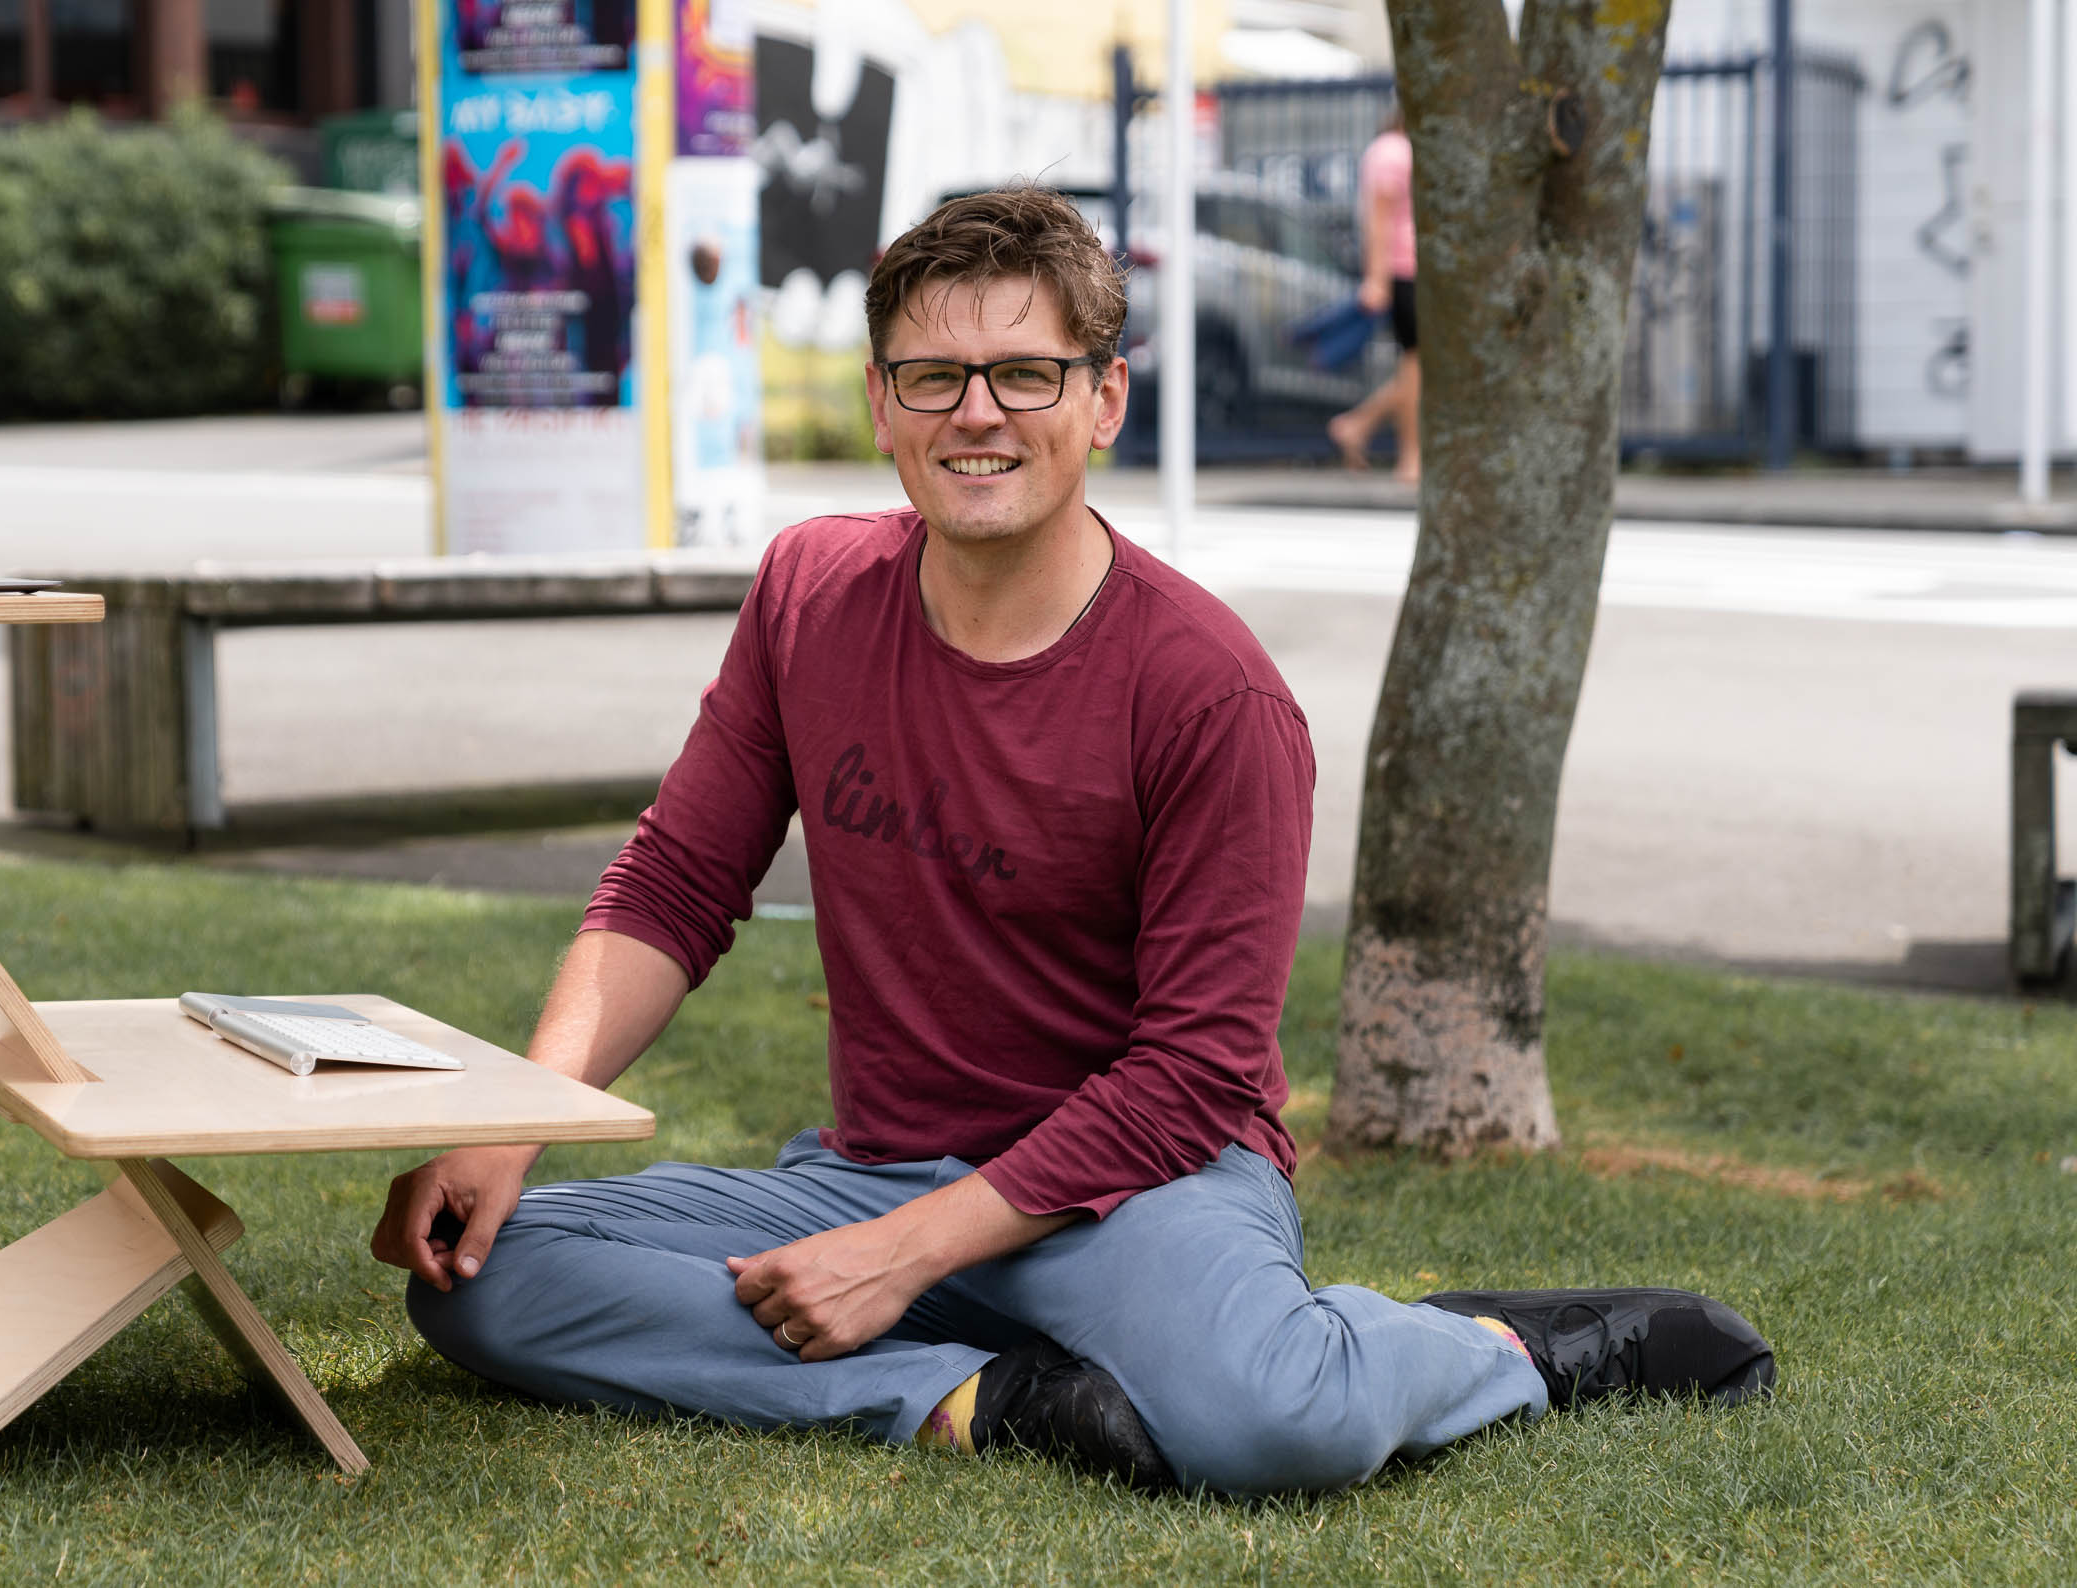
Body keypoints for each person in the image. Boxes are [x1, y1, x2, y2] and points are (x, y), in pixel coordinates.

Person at [371, 186, 1773, 1497]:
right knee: (487, 1276)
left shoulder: (1211, 692)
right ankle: (989, 1396)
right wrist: (514, 1123)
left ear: (1103, 398)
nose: (977, 414)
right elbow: (676, 886)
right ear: (881, 403)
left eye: (1025, 373)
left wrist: (899, 1257)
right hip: (871, 1167)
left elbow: (1192, 1075)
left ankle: (1502, 1351)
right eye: (934, 376)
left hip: (1141, 1192)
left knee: (1272, 1423)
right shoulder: (809, 596)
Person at [1328, 111, 1420, 483]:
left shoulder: (1393, 150)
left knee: (1420, 371)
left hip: (1409, 271)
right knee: (1417, 369)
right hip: (1405, 271)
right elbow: (1378, 218)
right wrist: (1378, 279)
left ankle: (1357, 424)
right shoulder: (1393, 151)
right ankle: (1410, 457)